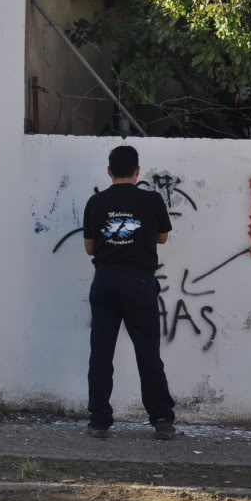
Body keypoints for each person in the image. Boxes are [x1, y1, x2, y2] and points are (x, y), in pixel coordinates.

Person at [82, 145, 176, 440]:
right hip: (139, 282)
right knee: (148, 352)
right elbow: (163, 237)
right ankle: (161, 419)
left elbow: (89, 248)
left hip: (105, 281)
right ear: (137, 172)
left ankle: (99, 421)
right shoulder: (151, 199)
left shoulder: (96, 202)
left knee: (101, 353)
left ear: (109, 171)